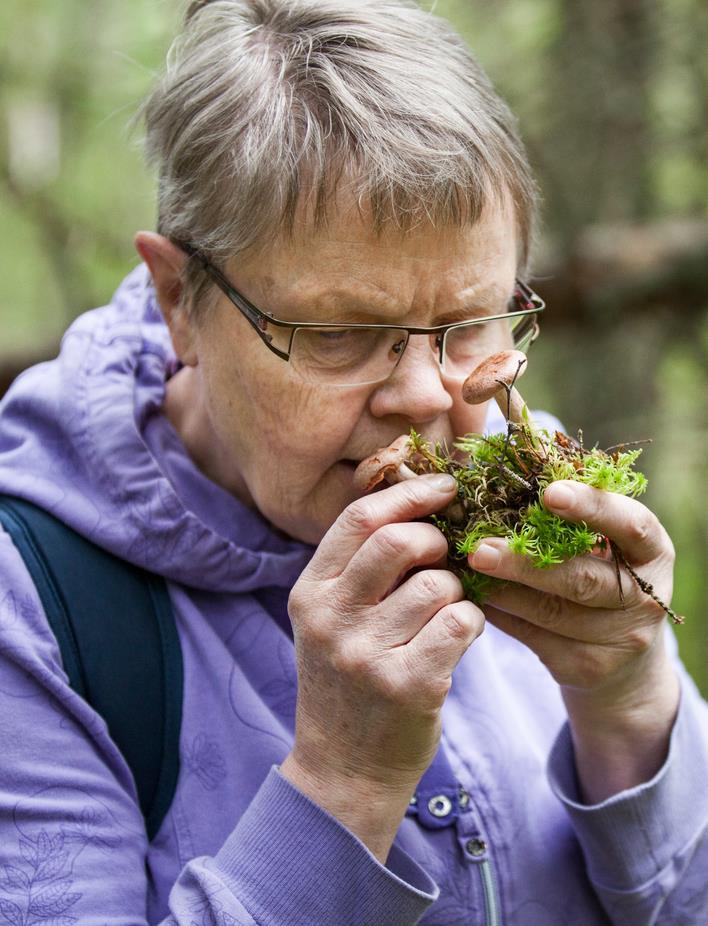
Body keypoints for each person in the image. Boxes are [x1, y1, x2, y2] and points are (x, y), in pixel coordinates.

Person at [0, 1, 705, 923]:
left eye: (468, 324)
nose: (423, 396)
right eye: (337, 333)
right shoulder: (36, 608)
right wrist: (347, 782)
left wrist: (630, 698)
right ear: (180, 300)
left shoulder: (534, 496)